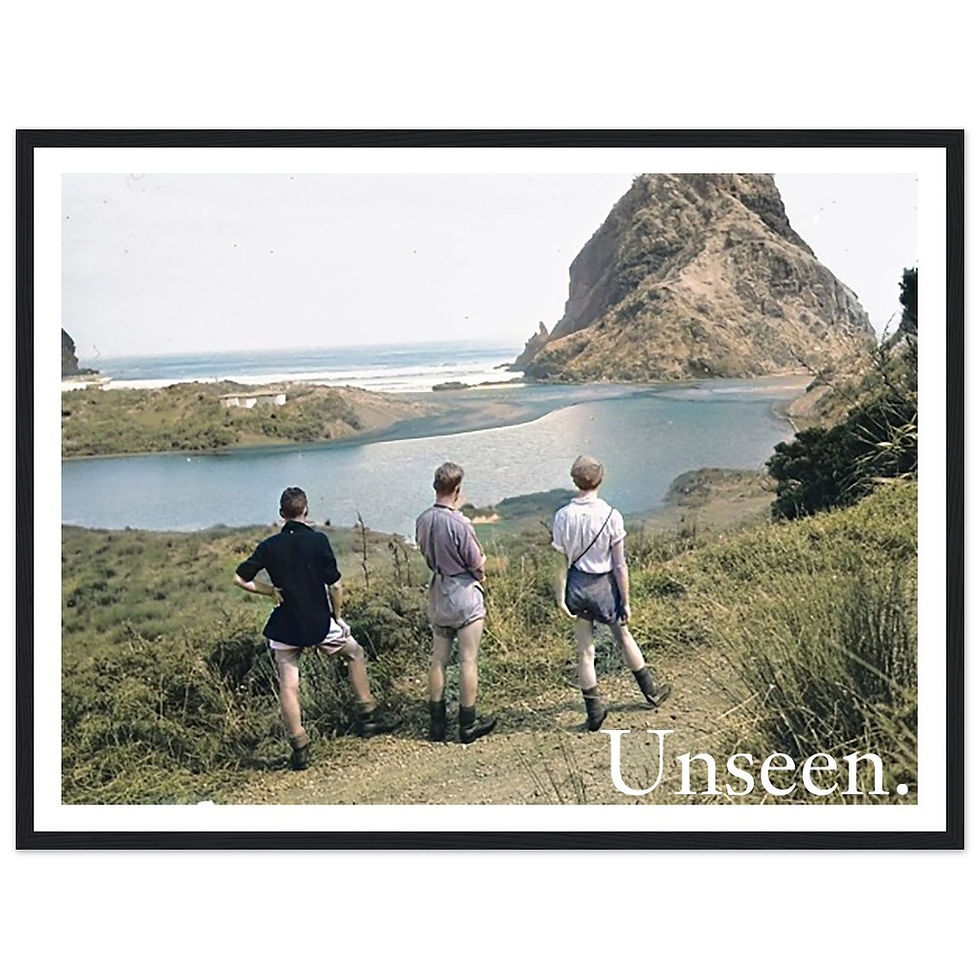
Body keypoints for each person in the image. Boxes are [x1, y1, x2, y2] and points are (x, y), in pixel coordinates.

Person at [234, 486, 396, 771]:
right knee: (355, 653)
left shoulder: (269, 546)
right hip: (319, 623)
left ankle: (299, 747)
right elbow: (334, 584)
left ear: (282, 515)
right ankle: (367, 717)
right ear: (306, 512)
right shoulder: (318, 540)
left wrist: (270, 590)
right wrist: (338, 616)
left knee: (289, 685)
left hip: (286, 626)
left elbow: (240, 578)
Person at [551, 455, 671, 731]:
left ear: (574, 480)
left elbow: (559, 562)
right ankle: (650, 692)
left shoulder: (562, 516)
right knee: (623, 636)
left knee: (585, 652)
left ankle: (594, 713)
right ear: (600, 479)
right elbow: (619, 565)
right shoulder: (611, 516)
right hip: (605, 587)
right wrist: (625, 601)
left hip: (578, 586)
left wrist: (560, 596)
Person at [415, 462, 496, 744]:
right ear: (457, 491)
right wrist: (481, 575)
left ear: (435, 487)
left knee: (438, 659)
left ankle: (436, 726)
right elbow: (476, 562)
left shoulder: (423, 520)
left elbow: (425, 552)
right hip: (463, 594)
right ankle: (467, 725)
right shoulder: (460, 523)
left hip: (438, 592)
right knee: (467, 660)